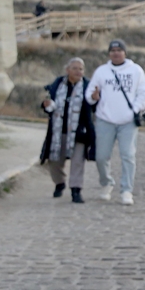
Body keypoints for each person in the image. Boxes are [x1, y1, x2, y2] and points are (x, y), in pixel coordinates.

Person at [86, 39, 145, 206]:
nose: (116, 53)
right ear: (109, 53)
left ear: (124, 52)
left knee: (128, 155)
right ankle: (106, 183)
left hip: (127, 122)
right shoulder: (102, 71)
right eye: (113, 50)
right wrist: (93, 98)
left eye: (119, 50)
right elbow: (90, 93)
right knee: (101, 156)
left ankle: (126, 190)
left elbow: (143, 93)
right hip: (105, 119)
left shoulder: (135, 70)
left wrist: (134, 110)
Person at [38, 57, 96, 203]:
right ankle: (59, 183)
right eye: (75, 68)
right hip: (58, 130)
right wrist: (46, 105)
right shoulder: (57, 84)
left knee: (77, 162)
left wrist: (95, 99)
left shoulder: (88, 86)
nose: (78, 71)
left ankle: (76, 191)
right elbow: (50, 105)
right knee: (54, 160)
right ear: (67, 70)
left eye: (81, 69)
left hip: (79, 131)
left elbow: (94, 108)